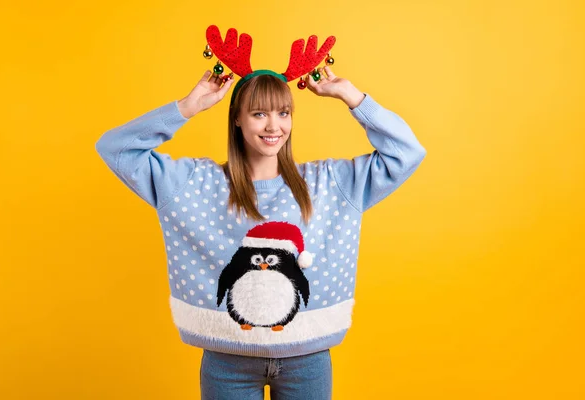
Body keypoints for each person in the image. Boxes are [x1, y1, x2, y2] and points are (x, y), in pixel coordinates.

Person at [96, 33, 426, 399]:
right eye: (259, 113)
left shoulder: (329, 184)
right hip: (227, 362)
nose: (274, 126)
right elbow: (116, 149)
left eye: (283, 113)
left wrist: (352, 97)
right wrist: (186, 108)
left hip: (308, 359)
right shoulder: (196, 184)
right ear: (237, 118)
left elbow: (406, 153)